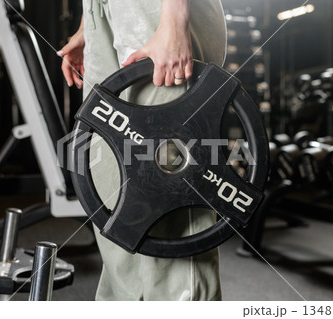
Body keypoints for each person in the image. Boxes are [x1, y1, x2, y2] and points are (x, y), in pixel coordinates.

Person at [58, 0, 227, 301]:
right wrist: (90, 22)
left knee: (165, 179)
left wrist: (175, 19)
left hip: (158, 9)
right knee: (111, 188)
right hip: (107, 12)